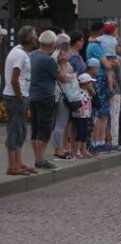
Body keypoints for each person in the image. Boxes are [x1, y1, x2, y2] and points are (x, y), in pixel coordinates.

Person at [29, 30, 66, 170]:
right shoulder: (48, 59)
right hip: (45, 96)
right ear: (52, 44)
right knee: (44, 129)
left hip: (33, 95)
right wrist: (63, 62)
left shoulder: (32, 55)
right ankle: (40, 160)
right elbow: (62, 77)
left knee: (35, 128)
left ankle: (38, 158)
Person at [4, 26, 37, 175]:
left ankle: (18, 162)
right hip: (16, 97)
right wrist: (19, 97)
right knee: (15, 130)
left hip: (19, 96)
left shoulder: (21, 52)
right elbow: (14, 80)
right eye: (35, 36)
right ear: (30, 39)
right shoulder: (20, 55)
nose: (36, 39)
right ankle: (12, 165)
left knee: (21, 131)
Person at [51, 33, 79, 161]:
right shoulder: (60, 56)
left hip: (62, 93)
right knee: (61, 122)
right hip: (62, 93)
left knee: (62, 122)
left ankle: (61, 147)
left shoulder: (56, 54)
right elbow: (62, 76)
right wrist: (72, 76)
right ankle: (58, 149)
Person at [71, 73, 95, 159]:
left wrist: (91, 89)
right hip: (79, 115)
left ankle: (84, 150)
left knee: (85, 132)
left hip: (86, 115)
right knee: (80, 132)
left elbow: (93, 95)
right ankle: (76, 150)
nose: (91, 84)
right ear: (85, 83)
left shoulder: (87, 91)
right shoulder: (78, 91)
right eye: (90, 83)